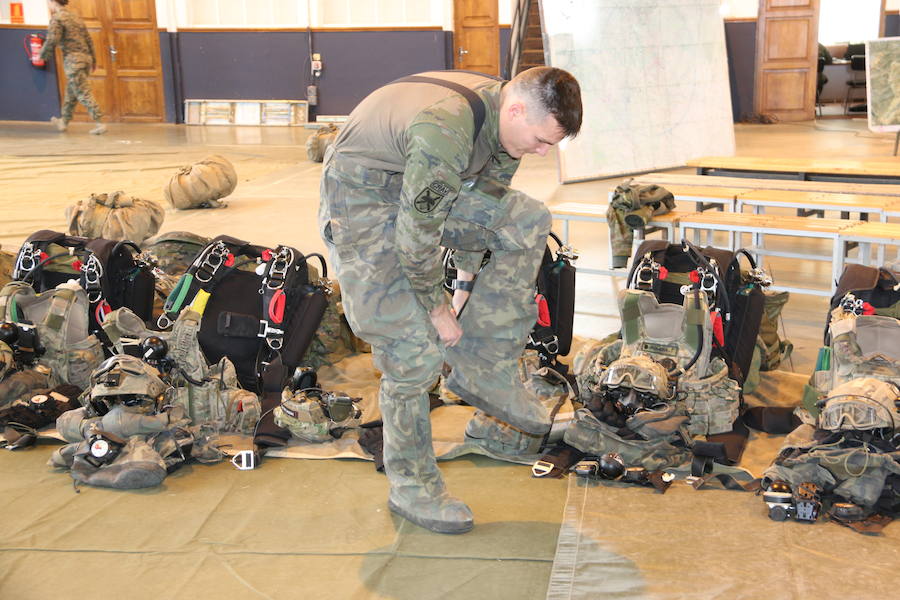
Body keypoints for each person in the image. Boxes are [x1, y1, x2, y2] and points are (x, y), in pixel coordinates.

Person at [318, 67, 582, 534]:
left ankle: (484, 367)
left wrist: (463, 284)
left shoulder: (505, 125)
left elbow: (488, 198)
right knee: (412, 354)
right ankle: (413, 486)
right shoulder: (446, 130)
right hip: (361, 203)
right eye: (542, 139)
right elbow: (415, 239)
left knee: (526, 218)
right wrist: (439, 311)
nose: (543, 151)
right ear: (517, 109)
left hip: (415, 185)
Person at [41, 0, 106, 135]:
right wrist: (93, 60)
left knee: (83, 92)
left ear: (53, 2)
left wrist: (42, 55)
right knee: (71, 93)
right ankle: (64, 122)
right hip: (85, 59)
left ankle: (100, 122)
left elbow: (52, 39)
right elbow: (89, 40)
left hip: (73, 61)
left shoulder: (57, 18)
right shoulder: (77, 18)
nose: (47, 5)